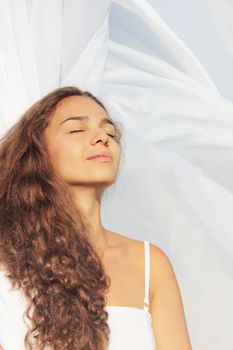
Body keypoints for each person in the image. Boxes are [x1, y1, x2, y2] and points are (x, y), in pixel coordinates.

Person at [0, 86, 192, 350]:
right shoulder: (5, 260)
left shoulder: (150, 264)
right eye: (77, 129)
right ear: (38, 154)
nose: (102, 137)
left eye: (110, 132)